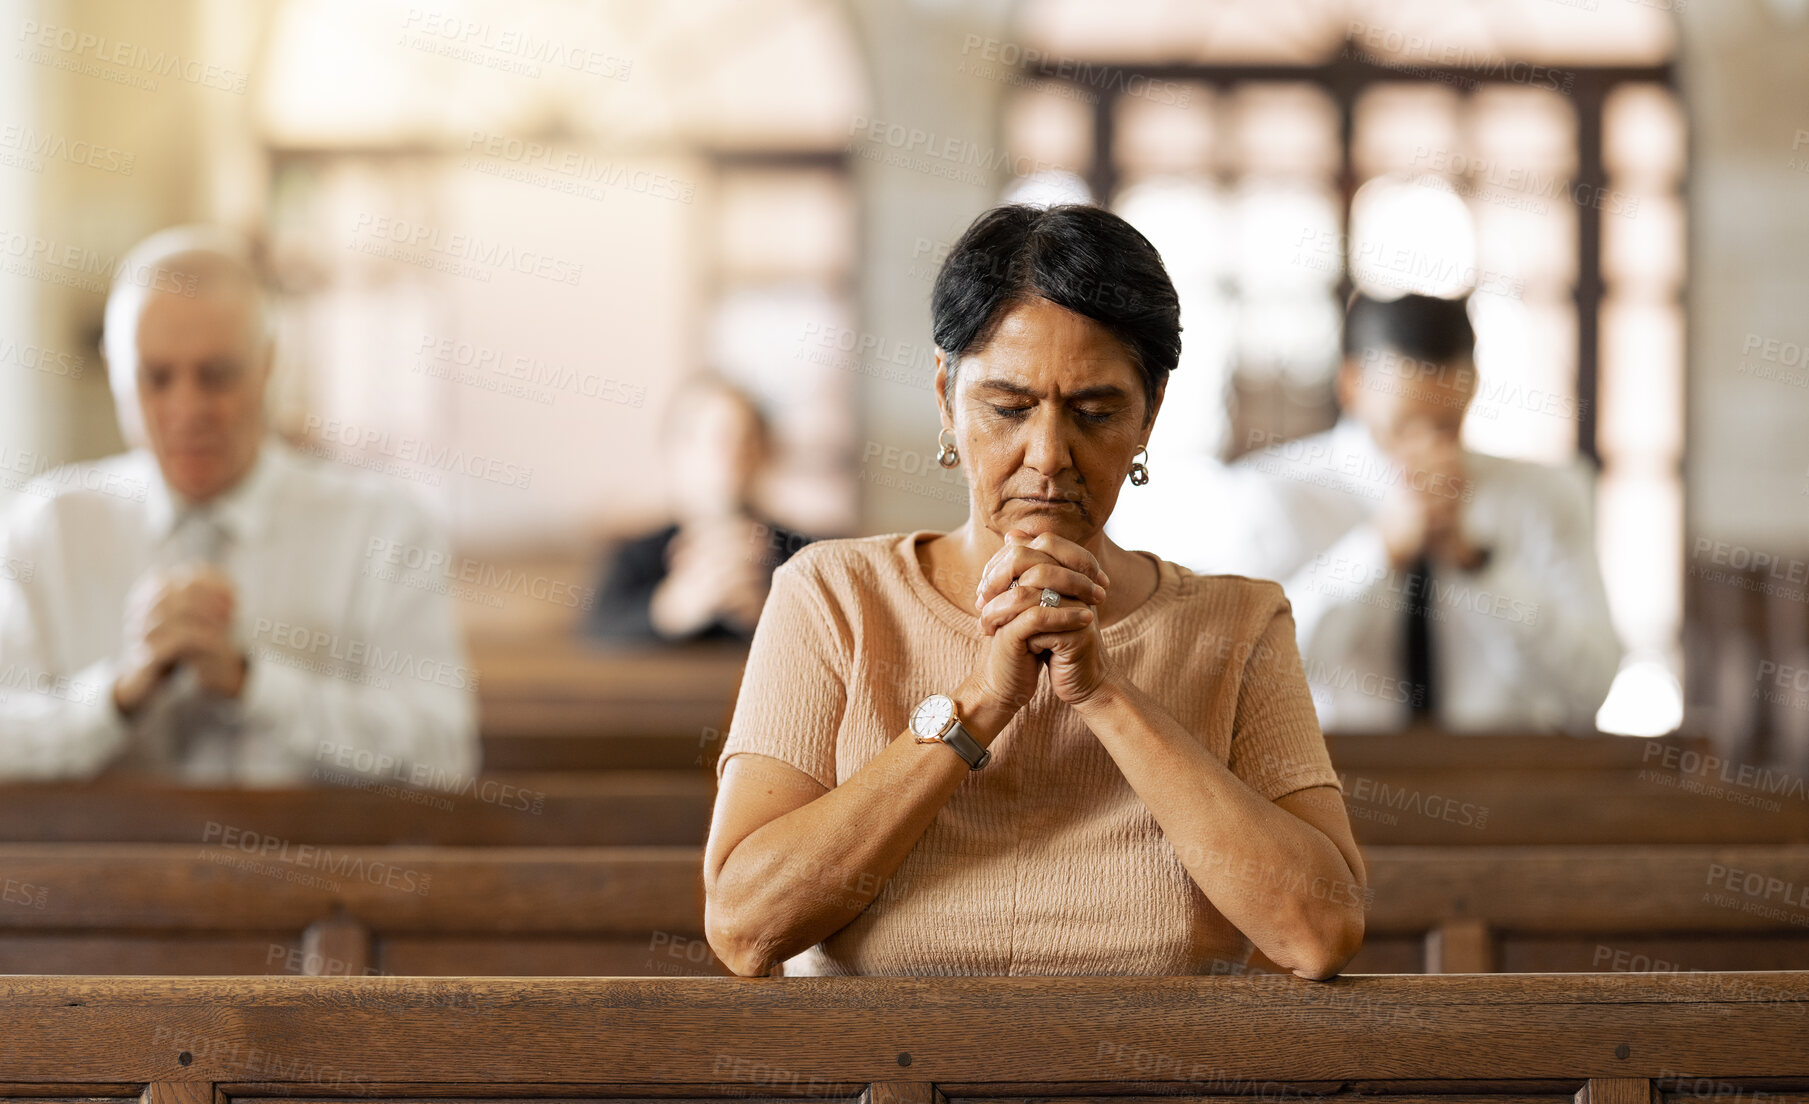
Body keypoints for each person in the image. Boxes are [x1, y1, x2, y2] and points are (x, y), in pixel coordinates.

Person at [703, 204, 1365, 980]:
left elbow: (1317, 934)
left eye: (1094, 412)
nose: (1048, 456)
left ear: (1149, 413)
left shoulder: (1239, 623)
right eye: (1009, 408)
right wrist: (981, 699)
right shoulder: (834, 596)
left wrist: (1104, 692)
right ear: (947, 394)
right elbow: (746, 928)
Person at [0, 226, 480, 785]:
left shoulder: (386, 526)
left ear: (268, 364)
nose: (187, 408)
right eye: (155, 377)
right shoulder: (48, 528)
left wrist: (251, 682)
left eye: (217, 376)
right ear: (114, 372)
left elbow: (443, 757)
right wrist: (120, 694)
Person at [1220, 292, 1622, 733]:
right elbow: (1244, 673)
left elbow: (1591, 689)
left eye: (1448, 425)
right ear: (1351, 385)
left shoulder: (1547, 495)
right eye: (1404, 424)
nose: (1430, 447)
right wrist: (1380, 550)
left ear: (1473, 385)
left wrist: (1479, 564)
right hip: (1329, 782)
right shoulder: (1274, 493)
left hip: (1508, 779)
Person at [586, 376, 811, 643]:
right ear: (675, 452)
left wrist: (768, 614)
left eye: (745, 440)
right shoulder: (635, 557)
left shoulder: (805, 556)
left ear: (763, 452)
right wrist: (674, 607)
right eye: (716, 440)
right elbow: (595, 632)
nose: (731, 456)